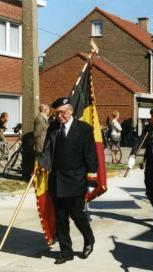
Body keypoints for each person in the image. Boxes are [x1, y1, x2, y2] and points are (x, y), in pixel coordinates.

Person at [38, 97, 98, 264]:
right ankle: (66, 251)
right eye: (57, 114)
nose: (60, 116)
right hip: (57, 179)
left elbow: (90, 155)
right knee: (60, 217)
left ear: (71, 111)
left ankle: (89, 240)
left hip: (76, 179)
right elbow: (47, 151)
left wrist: (91, 178)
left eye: (62, 113)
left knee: (77, 214)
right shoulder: (53, 129)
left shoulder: (84, 129)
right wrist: (42, 165)